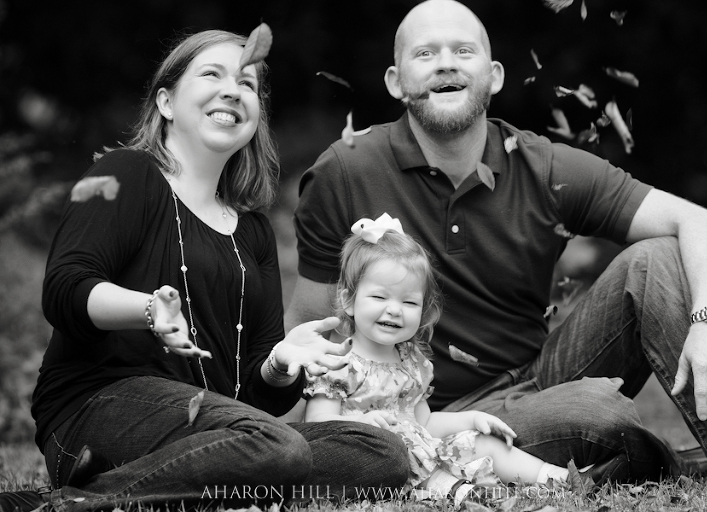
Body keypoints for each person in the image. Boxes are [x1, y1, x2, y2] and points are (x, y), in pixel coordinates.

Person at [288, 0, 707, 483]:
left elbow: (704, 225)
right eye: (425, 53)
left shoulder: (545, 166)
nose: (446, 63)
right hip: (433, 413)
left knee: (656, 257)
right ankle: (652, 460)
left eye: (463, 50)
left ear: (494, 75)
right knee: (599, 411)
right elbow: (310, 327)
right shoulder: (345, 171)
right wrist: (297, 441)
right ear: (395, 82)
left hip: (542, 375)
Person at [0, 30, 408, 512]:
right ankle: (66, 504)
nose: (232, 91)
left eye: (247, 84)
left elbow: (257, 396)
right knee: (278, 447)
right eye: (212, 75)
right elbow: (64, 289)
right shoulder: (127, 173)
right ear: (166, 102)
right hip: (96, 410)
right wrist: (149, 309)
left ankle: (126, 493)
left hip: (218, 431)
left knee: (381, 452)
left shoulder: (253, 231)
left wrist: (279, 364)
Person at [304, 213, 584, 504]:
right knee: (408, 451)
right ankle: (461, 493)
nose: (395, 310)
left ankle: (562, 479)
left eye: (409, 301)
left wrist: (470, 419)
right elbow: (316, 424)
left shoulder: (410, 362)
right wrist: (361, 422)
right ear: (349, 301)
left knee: (481, 441)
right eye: (380, 297)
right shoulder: (336, 362)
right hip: (376, 462)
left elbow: (423, 423)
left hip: (421, 451)